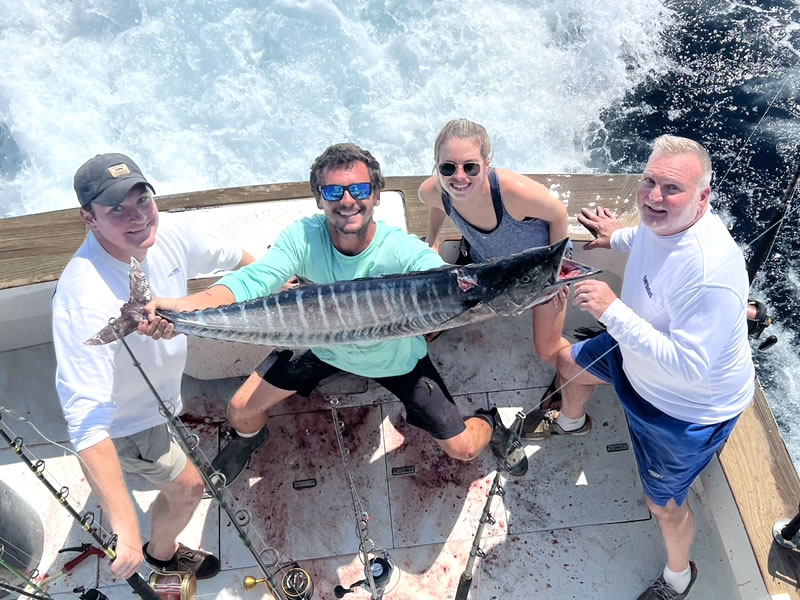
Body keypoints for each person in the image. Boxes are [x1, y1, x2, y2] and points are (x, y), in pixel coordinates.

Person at [138, 142, 529, 484]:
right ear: (319, 197)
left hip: (395, 362)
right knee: (239, 412)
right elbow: (253, 280)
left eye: (359, 189)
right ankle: (250, 439)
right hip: (322, 345)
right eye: (334, 190)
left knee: (463, 449)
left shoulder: (401, 249)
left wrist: (514, 292)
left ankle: (490, 422)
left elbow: (449, 280)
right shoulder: (303, 237)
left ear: (376, 196)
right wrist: (183, 310)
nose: (347, 201)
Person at [531, 135, 754, 599]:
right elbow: (647, 237)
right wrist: (615, 236)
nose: (654, 197)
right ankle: (572, 423)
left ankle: (679, 578)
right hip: (634, 358)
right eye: (649, 181)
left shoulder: (712, 271)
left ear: (703, 198)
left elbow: (689, 367)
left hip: (682, 412)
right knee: (570, 360)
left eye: (671, 189)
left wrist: (612, 311)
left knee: (663, 505)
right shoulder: (661, 223)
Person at [52, 153, 255, 581]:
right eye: (117, 209)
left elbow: (234, 256)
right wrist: (125, 526)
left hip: (165, 395)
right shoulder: (81, 299)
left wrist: (279, 289)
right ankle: (161, 553)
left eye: (142, 198)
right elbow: (87, 422)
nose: (138, 217)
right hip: (130, 421)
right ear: (88, 218)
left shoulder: (165, 233)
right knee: (190, 488)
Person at [418, 118, 570, 369]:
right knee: (426, 320)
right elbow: (437, 203)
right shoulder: (431, 191)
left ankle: (578, 373)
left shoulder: (513, 193)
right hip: (487, 266)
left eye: (470, 167)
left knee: (548, 350)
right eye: (447, 168)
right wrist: (433, 241)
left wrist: (555, 271)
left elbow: (559, 214)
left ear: (487, 164)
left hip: (539, 268)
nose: (459, 177)